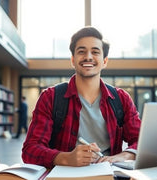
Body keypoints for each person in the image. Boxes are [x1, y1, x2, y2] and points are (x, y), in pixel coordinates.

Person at [21, 27, 141, 169]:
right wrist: (65, 158)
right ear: (73, 60)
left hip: (110, 174)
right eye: (81, 51)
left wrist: (123, 156)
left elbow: (141, 141)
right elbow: (30, 150)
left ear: (105, 61)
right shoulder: (51, 97)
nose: (88, 57)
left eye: (95, 52)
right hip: (65, 175)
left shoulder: (121, 99)